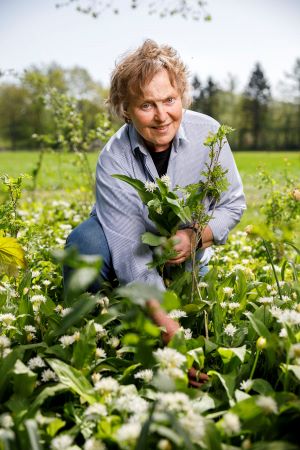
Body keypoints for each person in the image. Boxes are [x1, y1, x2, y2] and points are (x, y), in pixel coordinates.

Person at [64, 39, 246, 293]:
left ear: (181, 97)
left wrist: (195, 236)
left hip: (185, 257)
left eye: (170, 100)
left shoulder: (209, 135)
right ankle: (95, 313)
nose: (162, 116)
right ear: (126, 110)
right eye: (147, 105)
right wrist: (162, 314)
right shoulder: (114, 158)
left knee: (192, 300)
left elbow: (233, 203)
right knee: (85, 244)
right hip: (125, 247)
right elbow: (129, 253)